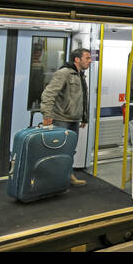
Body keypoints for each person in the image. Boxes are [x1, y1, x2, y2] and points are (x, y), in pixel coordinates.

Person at [41, 48, 93, 186]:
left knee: (70, 150)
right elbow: (48, 94)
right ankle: (54, 181)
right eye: (87, 58)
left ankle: (68, 176)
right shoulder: (64, 73)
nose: (90, 61)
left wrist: (84, 117)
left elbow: (82, 98)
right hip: (61, 119)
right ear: (77, 59)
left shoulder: (80, 75)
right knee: (58, 151)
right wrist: (47, 115)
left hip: (73, 120)